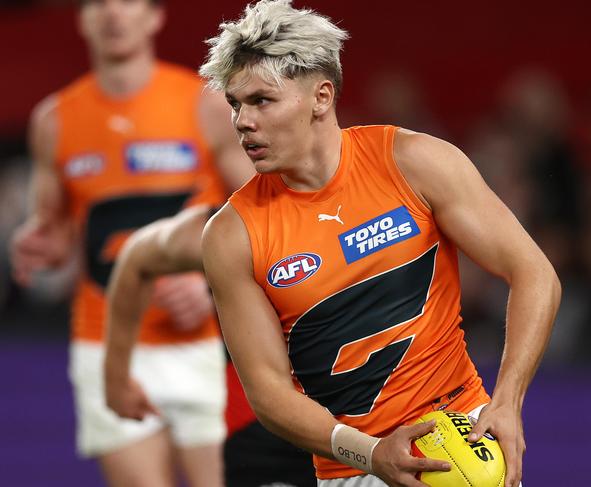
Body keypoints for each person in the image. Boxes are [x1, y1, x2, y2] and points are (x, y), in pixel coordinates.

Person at [195, 1, 562, 486]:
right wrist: (369, 454)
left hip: (463, 443)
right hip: (354, 467)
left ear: (321, 97)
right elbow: (268, 393)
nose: (242, 121)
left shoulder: (413, 162)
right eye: (235, 104)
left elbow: (534, 272)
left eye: (262, 100)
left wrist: (508, 401)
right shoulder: (231, 234)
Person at [10, 0, 252, 486]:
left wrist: (209, 286)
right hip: (105, 344)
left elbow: (268, 214)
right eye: (98, 4)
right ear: (81, 19)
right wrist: (38, 243)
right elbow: (56, 229)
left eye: (128, 2)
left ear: (154, 16)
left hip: (202, 342)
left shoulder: (204, 103)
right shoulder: (55, 119)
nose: (113, 14)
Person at [104, 204, 316, 486]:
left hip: (366, 423)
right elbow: (136, 256)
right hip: (264, 436)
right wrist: (116, 379)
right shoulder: (230, 225)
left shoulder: (379, 194)